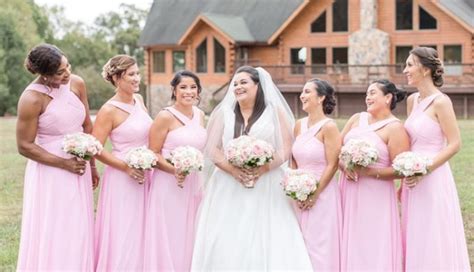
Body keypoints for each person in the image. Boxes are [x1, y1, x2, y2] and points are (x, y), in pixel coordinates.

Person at [191, 66, 312, 270]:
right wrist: (233, 170)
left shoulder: (274, 112)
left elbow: (286, 146)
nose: (238, 87)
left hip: (266, 183)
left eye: (243, 82)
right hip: (227, 184)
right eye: (235, 84)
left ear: (258, 85)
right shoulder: (224, 113)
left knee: (266, 233)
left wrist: (263, 168)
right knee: (227, 233)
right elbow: (212, 147)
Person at [16, 43, 97, 270]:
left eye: (67, 66)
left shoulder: (77, 83)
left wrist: (91, 165)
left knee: (78, 224)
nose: (67, 74)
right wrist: (64, 164)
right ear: (44, 74)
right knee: (56, 225)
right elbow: (24, 145)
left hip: (78, 165)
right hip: (50, 170)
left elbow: (87, 126)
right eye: (60, 72)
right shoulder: (32, 99)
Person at [401, 47, 470, 270]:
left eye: (410, 65)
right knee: (415, 231)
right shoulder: (412, 101)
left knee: (433, 232)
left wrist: (426, 169)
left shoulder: (441, 102)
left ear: (425, 69)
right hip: (412, 177)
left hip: (433, 177)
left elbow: (455, 143)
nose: (405, 70)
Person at [339, 79, 410, 270]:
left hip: (376, 195)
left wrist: (370, 172)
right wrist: (344, 166)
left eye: (372, 93)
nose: (367, 97)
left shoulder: (395, 128)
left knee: (373, 239)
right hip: (349, 189)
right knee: (352, 236)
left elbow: (400, 169)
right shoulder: (356, 119)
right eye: (367, 94)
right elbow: (336, 149)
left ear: (387, 98)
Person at [93, 55, 152, 271]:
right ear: (117, 78)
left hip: (146, 176)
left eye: (138, 73)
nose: (137, 78)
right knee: (125, 229)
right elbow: (96, 149)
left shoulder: (140, 101)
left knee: (143, 228)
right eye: (132, 74)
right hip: (121, 179)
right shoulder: (108, 110)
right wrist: (126, 167)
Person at [144, 70, 207, 271]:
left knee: (190, 231)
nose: (189, 91)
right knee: (170, 230)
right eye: (183, 87)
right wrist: (174, 170)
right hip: (168, 184)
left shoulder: (200, 115)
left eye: (193, 87)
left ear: (198, 91)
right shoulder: (165, 116)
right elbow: (153, 154)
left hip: (194, 183)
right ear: (174, 90)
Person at [291, 78, 342, 271]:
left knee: (319, 245)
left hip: (323, 195)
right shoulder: (298, 125)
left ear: (320, 97)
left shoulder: (329, 127)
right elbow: (293, 159)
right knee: (299, 242)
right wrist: (295, 187)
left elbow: (332, 164)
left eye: (307, 92)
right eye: (302, 92)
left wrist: (314, 194)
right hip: (297, 193)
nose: (302, 96)